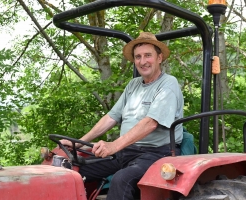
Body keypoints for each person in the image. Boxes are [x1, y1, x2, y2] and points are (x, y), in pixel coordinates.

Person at [61, 32, 184, 200]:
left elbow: (150, 123)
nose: (142, 61)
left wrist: (114, 146)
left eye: (148, 55)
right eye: (138, 57)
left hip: (156, 153)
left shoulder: (168, 84)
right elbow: (112, 116)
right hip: (127, 152)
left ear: (159, 58)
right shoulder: (133, 85)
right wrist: (79, 144)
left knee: (122, 179)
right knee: (73, 171)